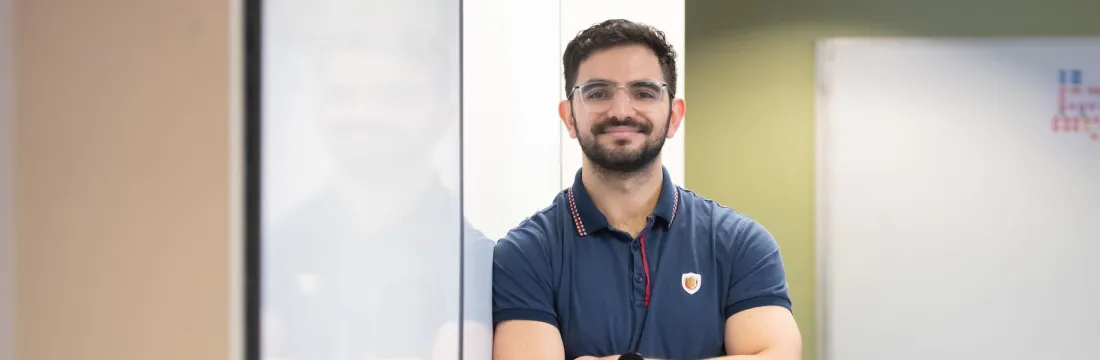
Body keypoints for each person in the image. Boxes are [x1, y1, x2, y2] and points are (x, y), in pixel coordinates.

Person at [491, 19, 802, 360]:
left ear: (674, 116)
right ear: (569, 117)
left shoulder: (740, 244)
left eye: (643, 92)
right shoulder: (527, 253)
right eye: (597, 93)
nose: (621, 111)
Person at [261, 1, 493, 358]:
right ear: (318, 108)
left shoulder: (472, 262)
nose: (364, 113)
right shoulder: (277, 247)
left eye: (394, 96)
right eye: (342, 95)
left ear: (444, 114)